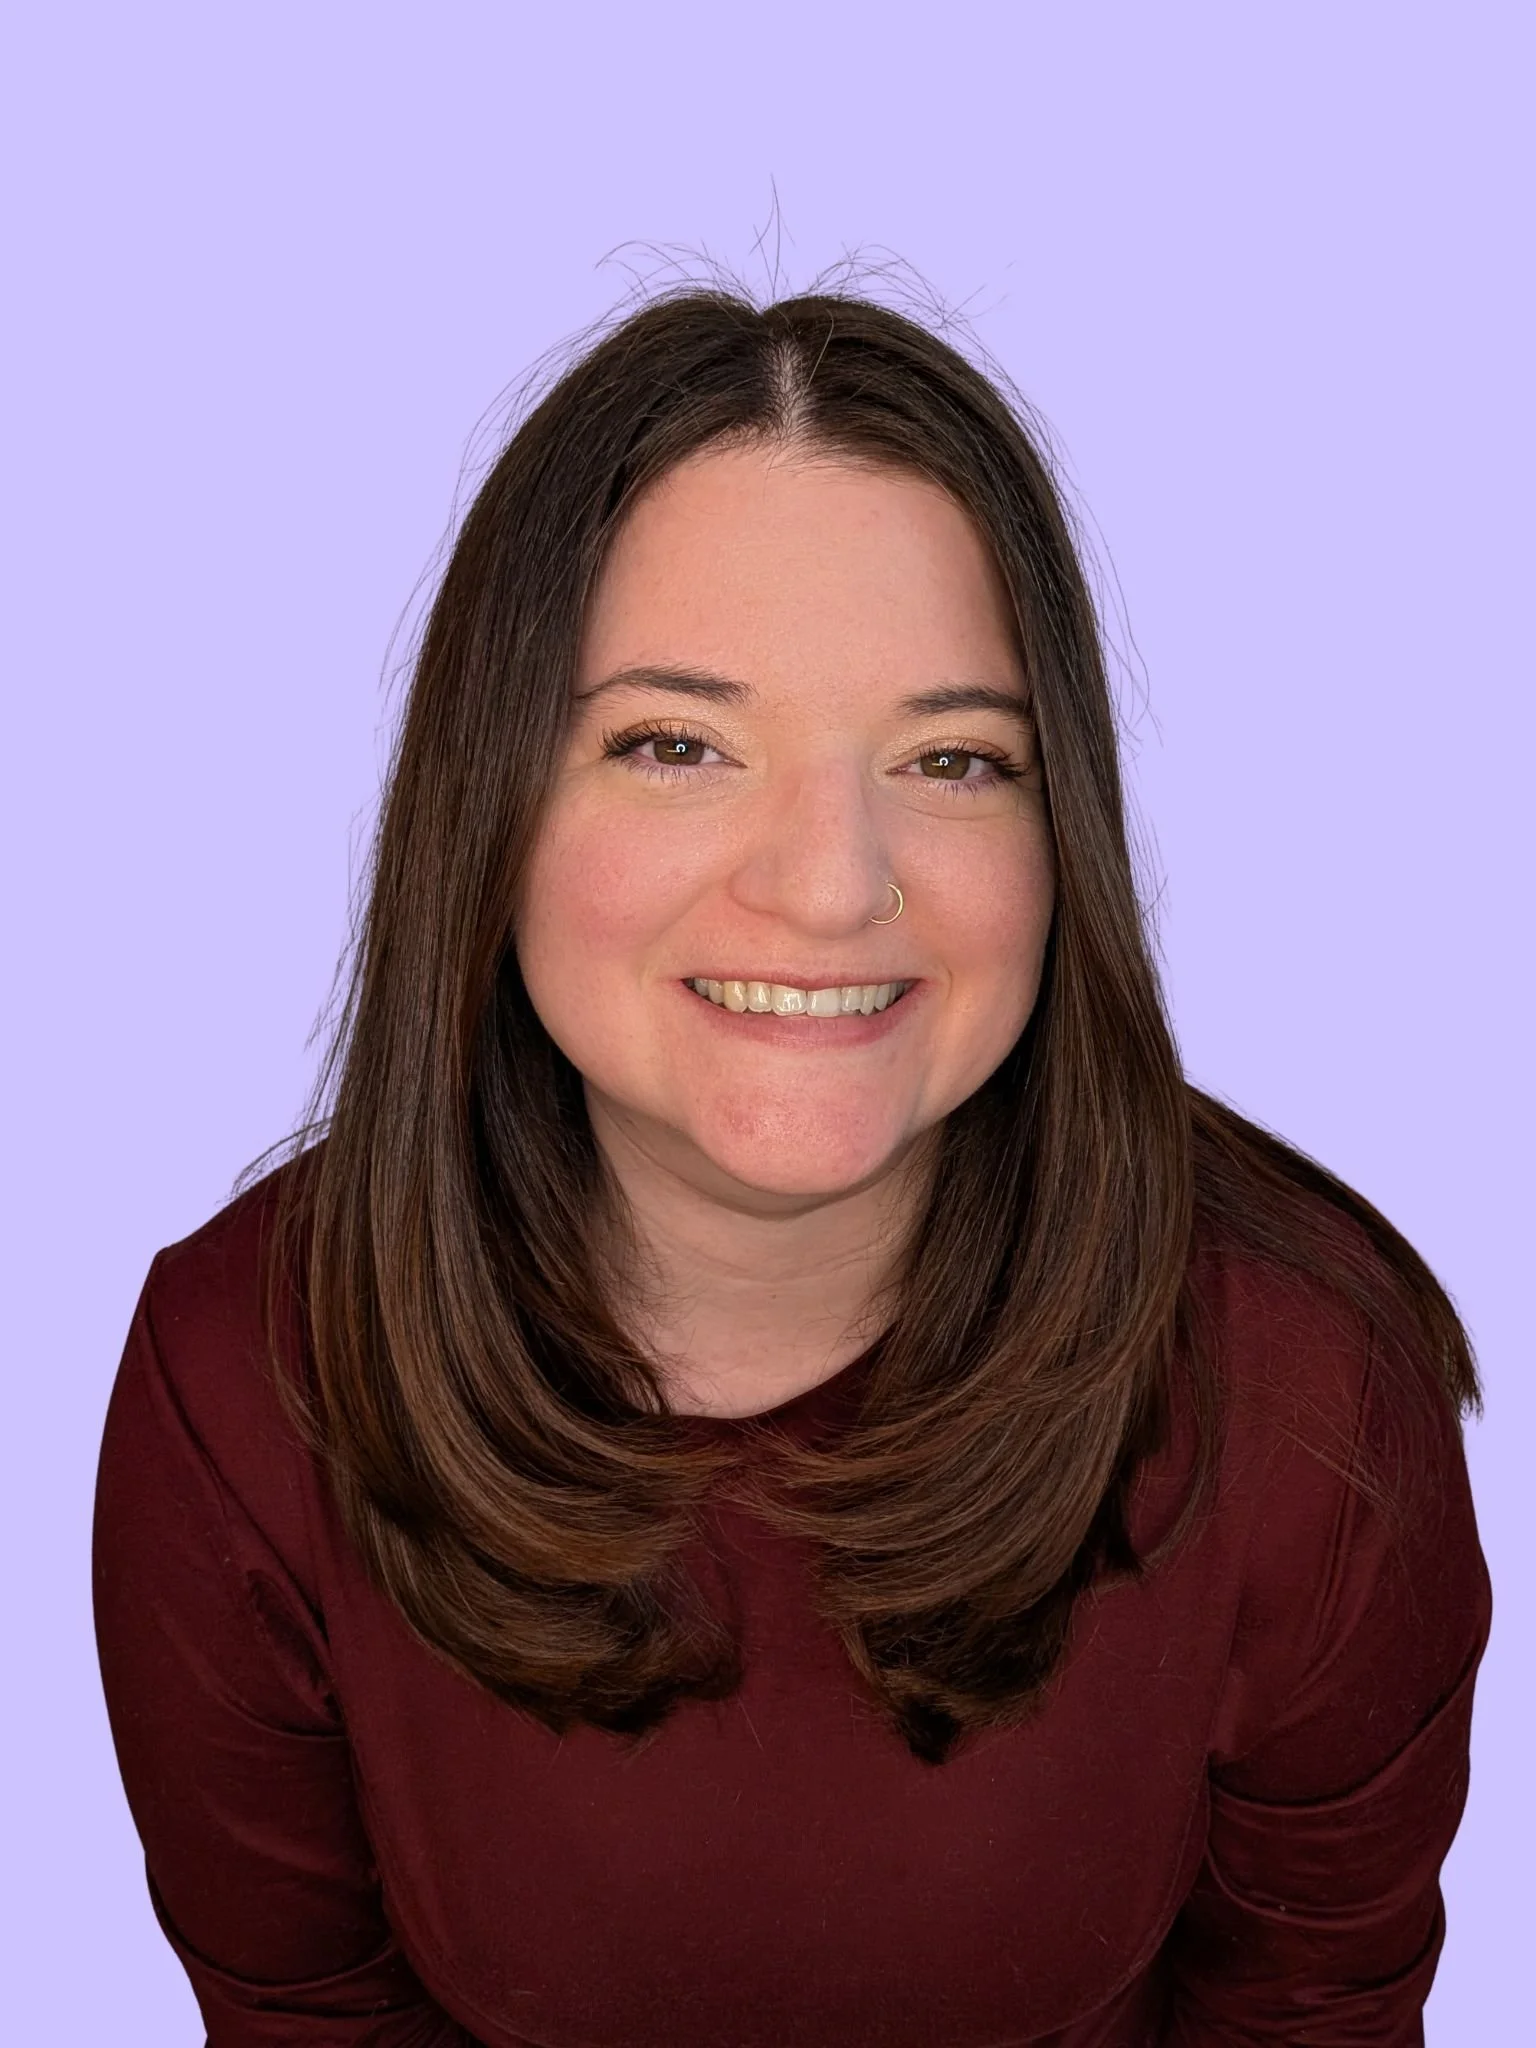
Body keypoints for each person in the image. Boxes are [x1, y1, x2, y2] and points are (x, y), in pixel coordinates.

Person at [92, 287, 1490, 2048]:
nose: (831, 884)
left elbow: (1311, 2015)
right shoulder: (243, 1378)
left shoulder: (1306, 1388)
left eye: (953, 758)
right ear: (493, 803)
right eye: (677, 744)